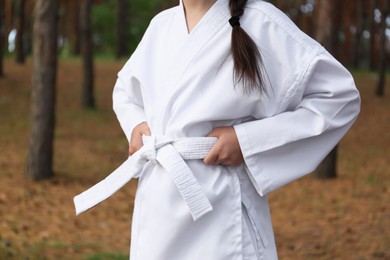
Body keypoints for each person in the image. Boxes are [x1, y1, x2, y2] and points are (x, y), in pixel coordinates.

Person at [74, 0, 361, 259]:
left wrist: (247, 141)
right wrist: (136, 123)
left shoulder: (261, 21)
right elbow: (126, 90)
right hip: (158, 201)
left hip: (223, 207)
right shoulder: (161, 26)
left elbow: (338, 97)